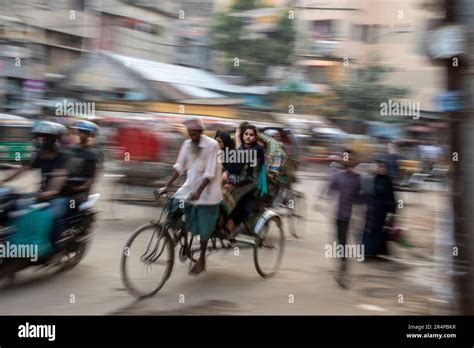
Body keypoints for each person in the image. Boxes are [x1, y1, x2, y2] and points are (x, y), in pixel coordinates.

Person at [160, 117, 222, 275]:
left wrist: (199, 192)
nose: (192, 137)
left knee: (204, 227)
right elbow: (179, 166)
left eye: (195, 134)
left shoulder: (212, 146)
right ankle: (180, 232)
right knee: (174, 204)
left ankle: (201, 259)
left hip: (208, 192)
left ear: (201, 133)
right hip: (191, 186)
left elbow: (209, 173)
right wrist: (166, 186)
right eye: (189, 133)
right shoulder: (187, 144)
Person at [0, 121, 70, 247]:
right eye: (40, 136)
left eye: (46, 137)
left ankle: (56, 249)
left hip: (60, 196)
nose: (42, 140)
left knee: (52, 217)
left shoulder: (63, 156)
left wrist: (51, 192)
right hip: (40, 194)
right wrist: (4, 180)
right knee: (14, 209)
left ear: (56, 139)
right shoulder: (39, 154)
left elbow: (59, 177)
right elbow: (23, 169)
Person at [224, 124, 266, 239]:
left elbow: (241, 156)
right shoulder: (242, 147)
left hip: (252, 181)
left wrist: (237, 138)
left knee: (234, 195)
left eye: (251, 135)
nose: (248, 137)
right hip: (240, 178)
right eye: (246, 134)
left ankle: (232, 224)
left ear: (255, 137)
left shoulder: (258, 149)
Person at [328, 149, 363, 288]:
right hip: (342, 216)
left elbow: (330, 190)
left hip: (346, 216)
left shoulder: (354, 178)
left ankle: (342, 272)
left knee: (343, 244)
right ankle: (342, 271)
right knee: (342, 244)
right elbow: (330, 190)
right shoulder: (346, 177)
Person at [361, 160, 396, 257]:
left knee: (381, 230)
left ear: (386, 169)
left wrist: (392, 213)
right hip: (372, 208)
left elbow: (392, 198)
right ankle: (367, 251)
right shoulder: (373, 179)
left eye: (383, 168)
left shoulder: (389, 181)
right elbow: (367, 193)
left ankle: (378, 252)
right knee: (369, 229)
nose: (381, 169)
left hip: (384, 209)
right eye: (380, 167)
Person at [65, 120, 99, 208]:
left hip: (79, 192)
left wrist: (79, 188)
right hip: (64, 187)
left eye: (85, 133)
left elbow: (92, 178)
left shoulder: (92, 154)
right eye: (79, 132)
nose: (81, 135)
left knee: (71, 206)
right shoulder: (67, 150)